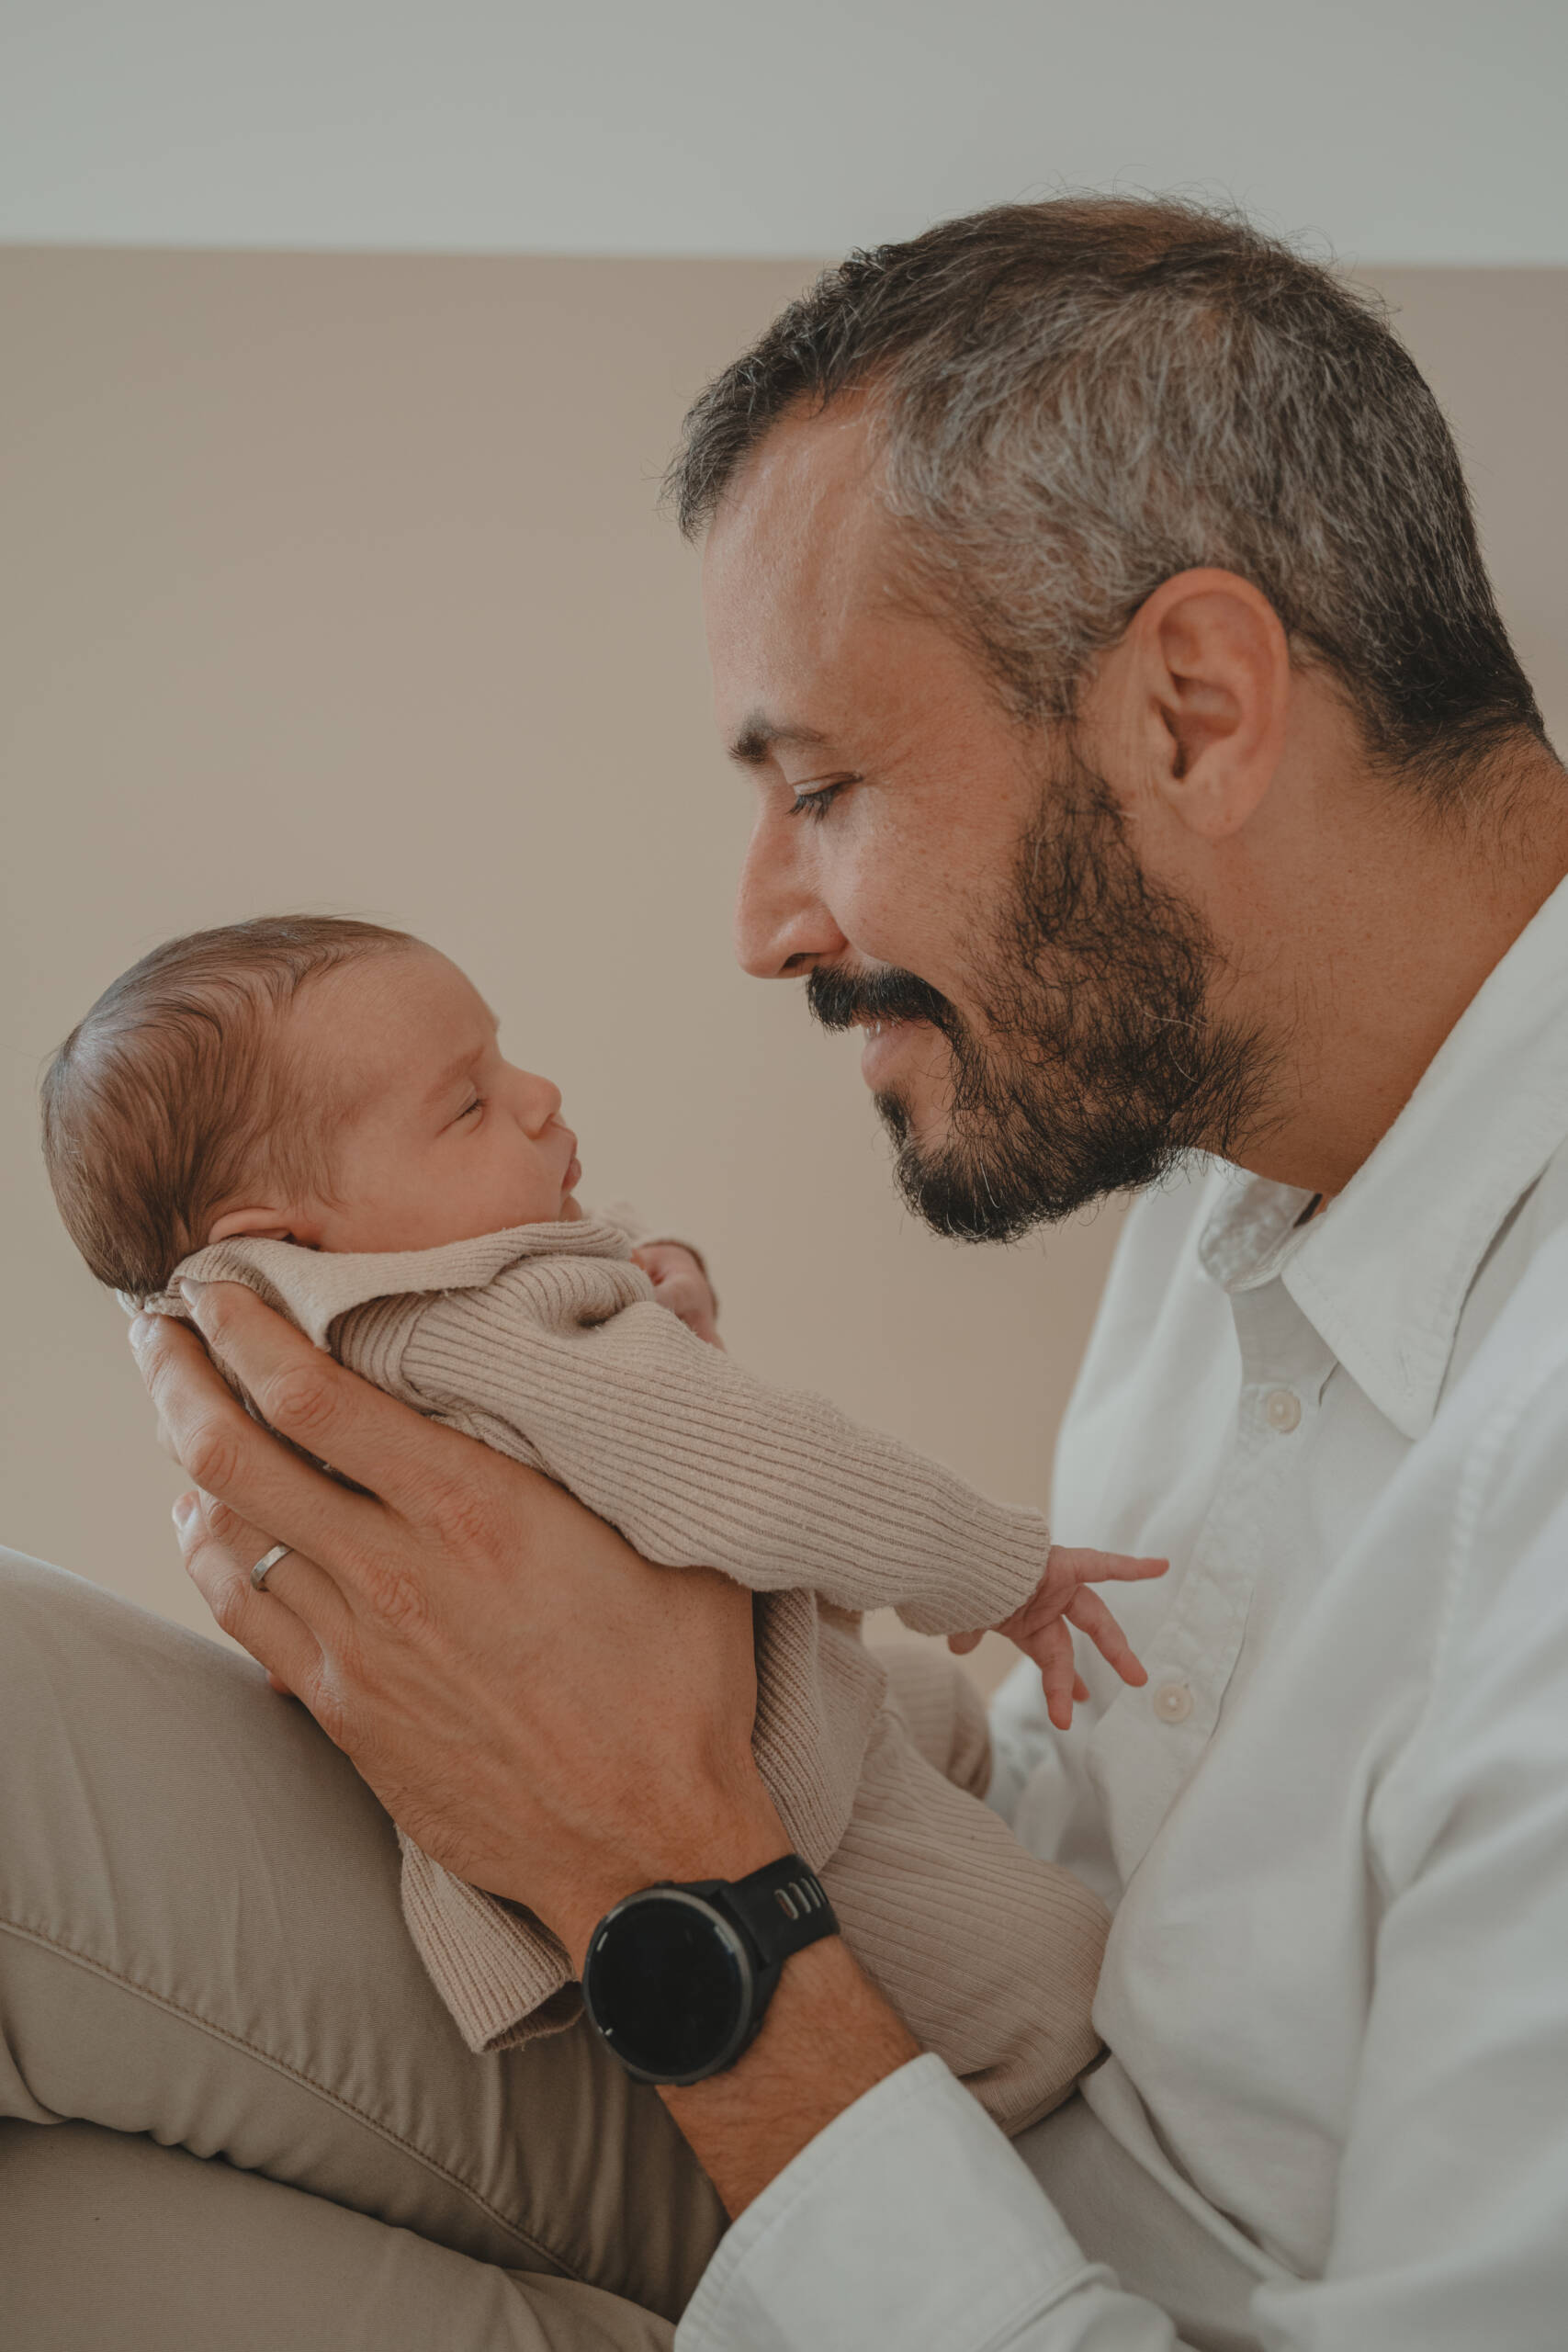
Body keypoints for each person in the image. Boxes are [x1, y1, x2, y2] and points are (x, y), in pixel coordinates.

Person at [5, 191, 1568, 2348]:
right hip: (918, 2059)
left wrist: (670, 1875)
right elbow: (1110, 1800)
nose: (764, 922)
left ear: (1191, 712)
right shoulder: (1244, 1161)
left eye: (818, 783)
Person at [39, 910, 1163, 2129]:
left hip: (767, 1701)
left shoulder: (325, 1341)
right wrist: (997, 1570)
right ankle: (1006, 2148)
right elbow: (769, 1469)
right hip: (756, 1790)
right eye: (467, 1106)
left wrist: (652, 1280)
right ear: (288, 1237)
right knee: (1059, 1975)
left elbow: (579, 1327)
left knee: (936, 1724)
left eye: (502, 1058)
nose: (538, 1095)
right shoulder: (472, 1333)